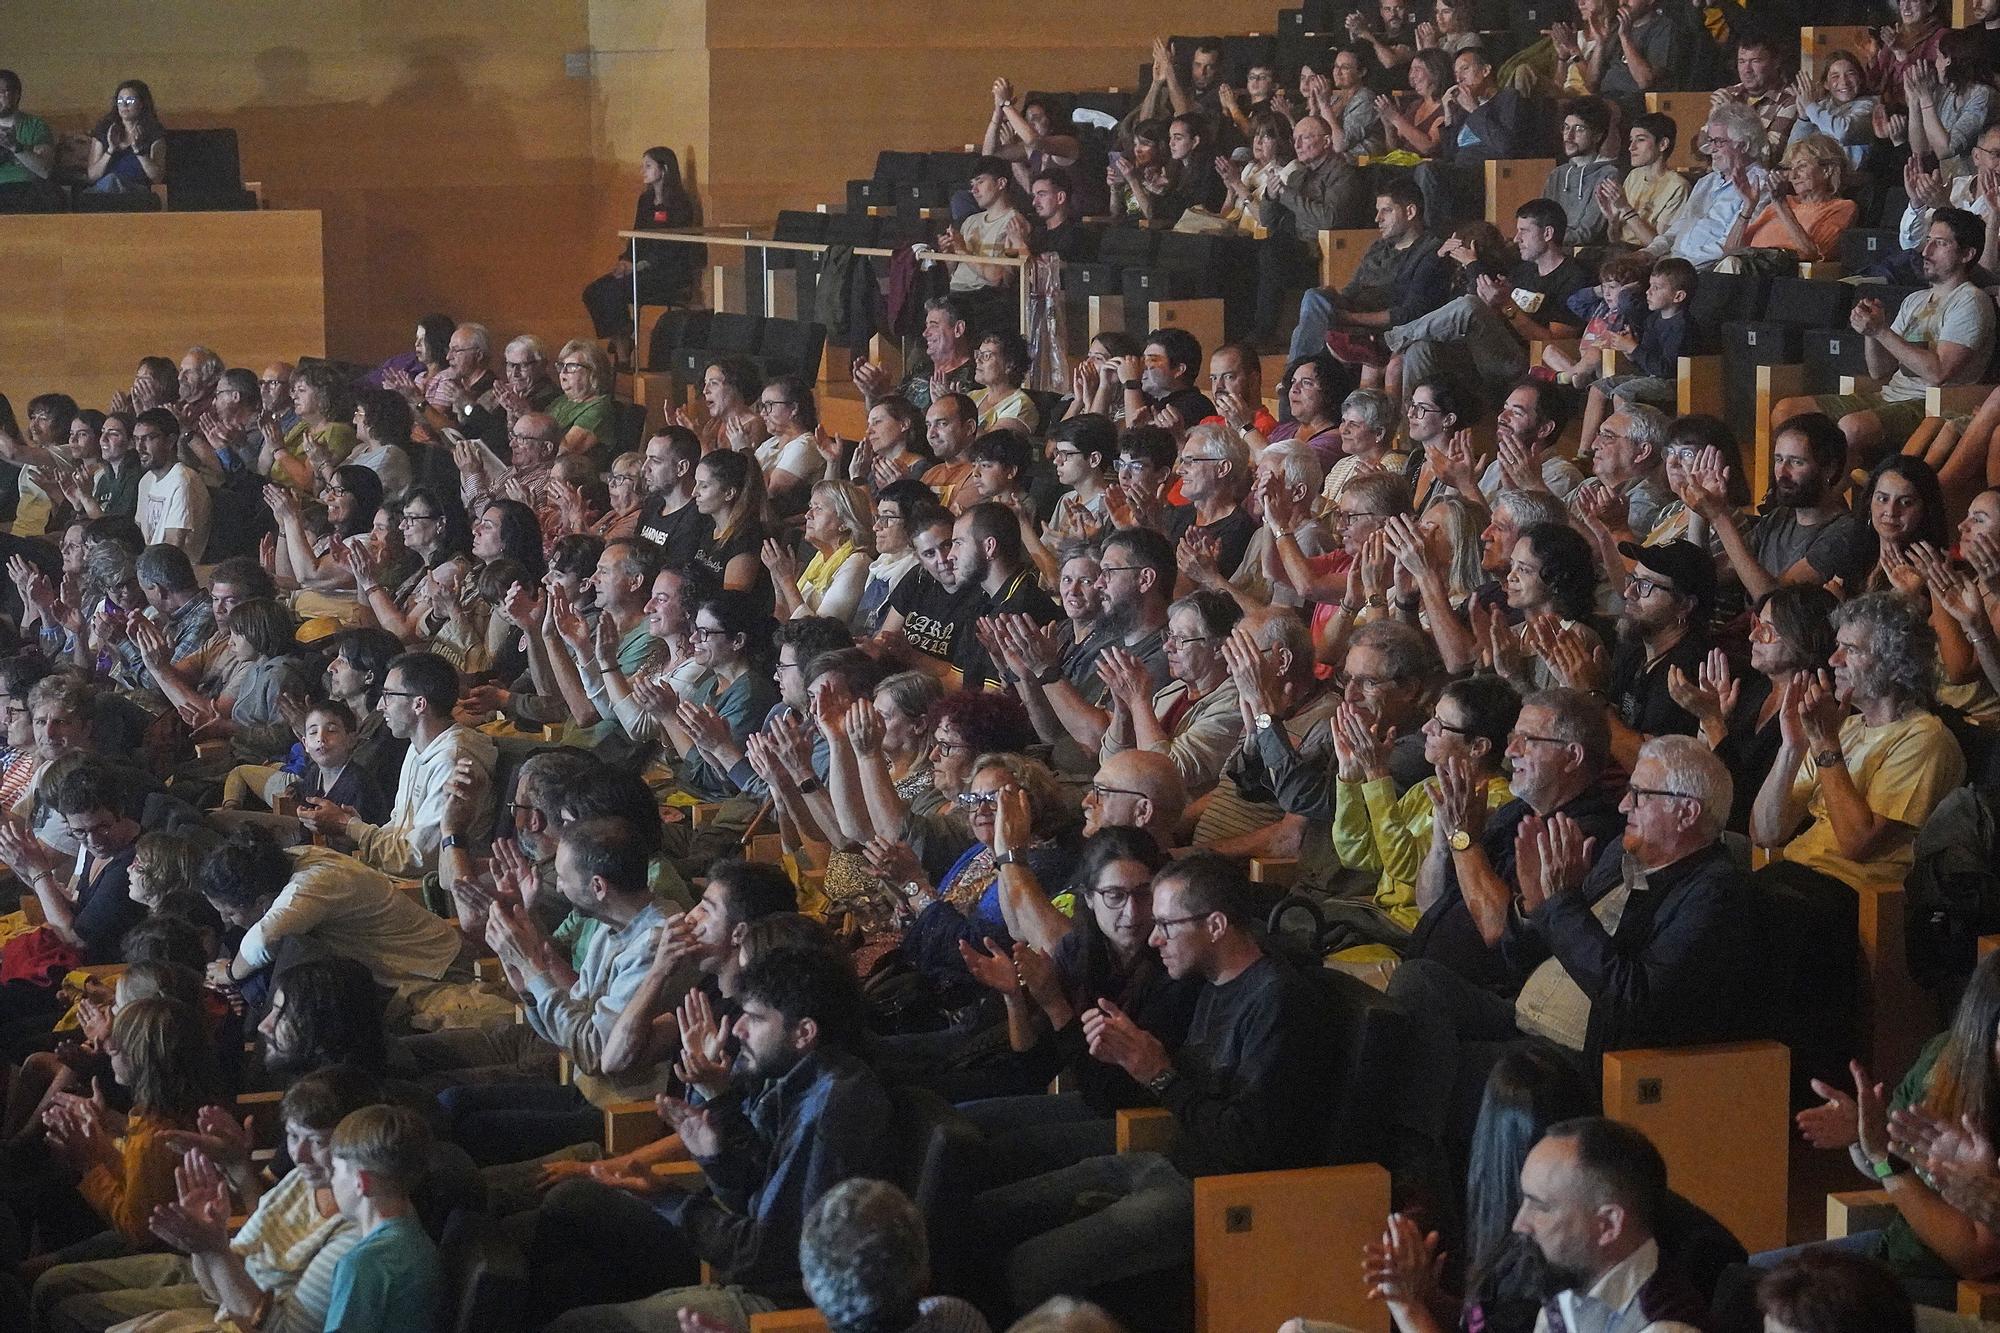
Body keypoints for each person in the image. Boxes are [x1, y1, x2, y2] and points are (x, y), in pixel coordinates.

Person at [972, 853, 1339, 1316]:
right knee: (986, 1213)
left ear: (1216, 925)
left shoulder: (1280, 1002)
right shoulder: (1212, 981)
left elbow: (1249, 1145)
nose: (1153, 937)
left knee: (1031, 1268)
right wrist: (1127, 1058)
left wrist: (1157, 1072)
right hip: (1166, 1160)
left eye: (1166, 923)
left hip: (1220, 1194)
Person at [530, 947, 890, 1331]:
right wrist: (715, 1154)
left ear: (804, 1032)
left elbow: (763, 1255)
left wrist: (674, 1201)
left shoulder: (833, 1105)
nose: (737, 1029)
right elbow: (757, 1193)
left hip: (780, 1303)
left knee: (578, 1325)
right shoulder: (801, 1078)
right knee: (568, 1220)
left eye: (753, 1017)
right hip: (742, 1253)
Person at [1753, 592, 1965, 895]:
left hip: (1850, 895)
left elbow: (1858, 844)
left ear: (1894, 663)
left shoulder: (1924, 737)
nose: (1833, 659)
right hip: (1794, 876)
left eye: (1849, 649)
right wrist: (1792, 747)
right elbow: (1766, 833)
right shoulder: (1846, 727)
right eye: (1837, 646)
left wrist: (1826, 744)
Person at [1777, 209, 1995, 466]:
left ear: (1967, 254)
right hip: (1890, 395)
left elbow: (1939, 372)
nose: (1926, 251)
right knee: (1786, 411)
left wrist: (1882, 331)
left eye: (1941, 243)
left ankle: (1825, 496)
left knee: (1852, 427)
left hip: (1930, 405)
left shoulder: (1970, 301)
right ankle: (1789, 492)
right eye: (1928, 240)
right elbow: (1879, 371)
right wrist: (1872, 333)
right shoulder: (1914, 300)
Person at [301, 651, 495, 877]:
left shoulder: (452, 761)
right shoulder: (416, 747)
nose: (381, 706)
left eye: (389, 695)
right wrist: (354, 827)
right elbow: (399, 825)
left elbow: (418, 859)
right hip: (397, 876)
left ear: (419, 704)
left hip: (429, 890)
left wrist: (350, 826)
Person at [1386, 202, 1589, 409]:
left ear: (1547, 233)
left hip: (1525, 363)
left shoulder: (1573, 278)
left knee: (1469, 304)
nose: (1517, 238)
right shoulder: (1522, 271)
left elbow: (1554, 344)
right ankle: (1411, 433)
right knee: (1419, 350)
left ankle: (1396, 337)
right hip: (1490, 355)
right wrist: (1495, 304)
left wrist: (1507, 305)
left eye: (1524, 232)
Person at [1513, 1119, 1712, 1329]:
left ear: (1608, 1225)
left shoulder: (1661, 1326)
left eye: (1541, 1207)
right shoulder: (1569, 1282)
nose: (1519, 1224)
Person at [1287, 179, 1453, 366]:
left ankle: (1297, 373)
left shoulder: (1430, 252)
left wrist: (1350, 318)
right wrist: (1334, 297)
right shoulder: (1378, 247)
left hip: (1383, 332)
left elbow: (1409, 313)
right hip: (1354, 314)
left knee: (1312, 319)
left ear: (1410, 212)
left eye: (1386, 211)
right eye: (1377, 210)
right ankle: (1302, 373)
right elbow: (1351, 290)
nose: (1377, 218)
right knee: (1315, 298)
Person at [321, 1104, 442, 1333]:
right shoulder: (418, 1236)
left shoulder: (363, 1263)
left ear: (361, 1183)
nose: (331, 1180)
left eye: (335, 1170)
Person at [584, 146, 700, 365]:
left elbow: (672, 248)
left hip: (665, 273)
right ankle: (623, 334)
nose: (642, 171)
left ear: (664, 169)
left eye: (648, 166)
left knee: (613, 291)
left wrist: (638, 267)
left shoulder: (680, 204)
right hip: (639, 267)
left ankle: (622, 347)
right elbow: (635, 235)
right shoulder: (645, 202)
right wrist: (625, 260)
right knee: (593, 291)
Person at [1630, 103, 1772, 271]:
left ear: (1744, 145)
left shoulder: (1760, 185)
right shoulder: (1707, 182)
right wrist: (1650, 252)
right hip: (1675, 266)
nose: (1711, 149)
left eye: (1718, 142)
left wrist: (1679, 265)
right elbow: (1678, 228)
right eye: (1710, 141)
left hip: (1707, 271)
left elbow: (1730, 247)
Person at [1722, 134, 1856, 267]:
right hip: (1744, 270)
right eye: (1791, 168)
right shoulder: (1783, 203)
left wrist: (1781, 204)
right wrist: (1748, 206)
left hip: (1781, 276)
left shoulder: (1842, 208)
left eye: (1802, 166)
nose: (1793, 175)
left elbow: (1811, 254)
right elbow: (1729, 250)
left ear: (1827, 170)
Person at [939, 156, 1025, 336]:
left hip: (981, 299)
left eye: (980, 182)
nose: (974, 190)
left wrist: (962, 250)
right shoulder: (970, 221)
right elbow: (953, 272)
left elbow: (997, 277)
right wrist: (947, 253)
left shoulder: (1013, 223)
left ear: (1001, 183)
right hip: (955, 294)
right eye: (972, 184)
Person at [1600, 112, 1690, 249]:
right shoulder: (1634, 175)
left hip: (1646, 258)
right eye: (1631, 140)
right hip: (1621, 251)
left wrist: (1625, 208)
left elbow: (1658, 247)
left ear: (1663, 144)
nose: (1631, 147)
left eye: (1640, 140)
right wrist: (1612, 220)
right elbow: (1614, 240)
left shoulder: (1678, 186)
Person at [131, 408, 210, 561]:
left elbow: (174, 546)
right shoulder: (145, 481)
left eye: (147, 438)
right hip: (149, 566)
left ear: (170, 441)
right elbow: (139, 536)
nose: (139, 447)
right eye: (136, 439)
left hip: (175, 572)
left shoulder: (182, 479)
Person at [1542, 98, 1620, 246]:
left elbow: (1587, 232)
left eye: (1579, 129)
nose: (1569, 136)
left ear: (1597, 136)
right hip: (1551, 247)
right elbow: (1541, 219)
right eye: (1566, 127)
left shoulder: (1608, 174)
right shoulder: (1557, 174)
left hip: (1582, 253)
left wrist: (1544, 238)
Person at [84, 79, 165, 194]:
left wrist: (139, 151)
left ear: (142, 104)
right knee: (110, 182)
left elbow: (157, 178)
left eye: (130, 100)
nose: (124, 104)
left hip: (135, 193)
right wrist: (110, 150)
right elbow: (92, 176)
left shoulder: (153, 132)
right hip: (102, 193)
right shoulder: (104, 130)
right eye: (120, 100)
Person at [0, 70, 55, 206]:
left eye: (2, 91)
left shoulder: (36, 125)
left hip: (26, 189)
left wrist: (16, 147)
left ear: (16, 94)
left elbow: (44, 170)